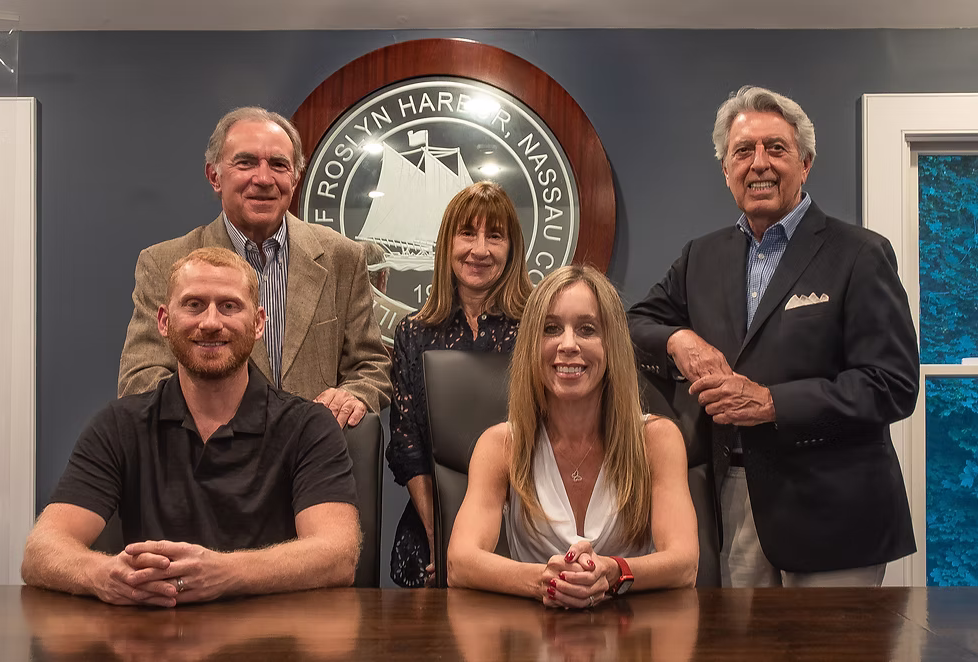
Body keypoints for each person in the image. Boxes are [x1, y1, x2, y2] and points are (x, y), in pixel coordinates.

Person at [627, 86, 918, 587]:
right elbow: (633, 324)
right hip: (731, 501)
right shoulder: (701, 256)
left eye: (775, 148)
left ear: (805, 163)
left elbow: (892, 384)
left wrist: (771, 402)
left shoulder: (860, 253)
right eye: (743, 151)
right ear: (726, 170)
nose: (759, 163)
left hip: (838, 512)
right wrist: (680, 340)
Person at [22, 247, 361, 607]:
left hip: (271, 643)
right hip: (152, 642)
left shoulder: (309, 427)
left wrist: (224, 573)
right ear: (164, 321)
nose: (211, 322)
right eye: (194, 305)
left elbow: (338, 555)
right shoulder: (118, 426)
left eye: (229, 306)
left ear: (258, 323)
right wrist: (103, 575)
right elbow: (41, 550)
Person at [117, 106, 391, 427]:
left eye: (278, 164)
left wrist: (355, 394)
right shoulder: (164, 263)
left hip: (312, 463)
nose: (263, 178)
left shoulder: (342, 257)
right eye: (246, 162)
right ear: (214, 176)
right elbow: (140, 377)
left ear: (295, 177)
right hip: (206, 463)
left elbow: (371, 364)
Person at [447, 265, 698, 606]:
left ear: (612, 345)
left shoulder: (656, 439)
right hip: (532, 640)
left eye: (587, 329)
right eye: (551, 329)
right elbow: (460, 563)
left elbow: (684, 564)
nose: (568, 345)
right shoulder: (501, 445)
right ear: (532, 345)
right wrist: (542, 582)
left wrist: (612, 572)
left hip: (631, 639)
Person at [385, 181, 533, 588]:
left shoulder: (540, 325)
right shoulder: (413, 332)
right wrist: (442, 534)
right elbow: (407, 446)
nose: (480, 249)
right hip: (433, 528)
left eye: (495, 236)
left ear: (512, 248)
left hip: (529, 528)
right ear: (447, 242)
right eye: (467, 233)